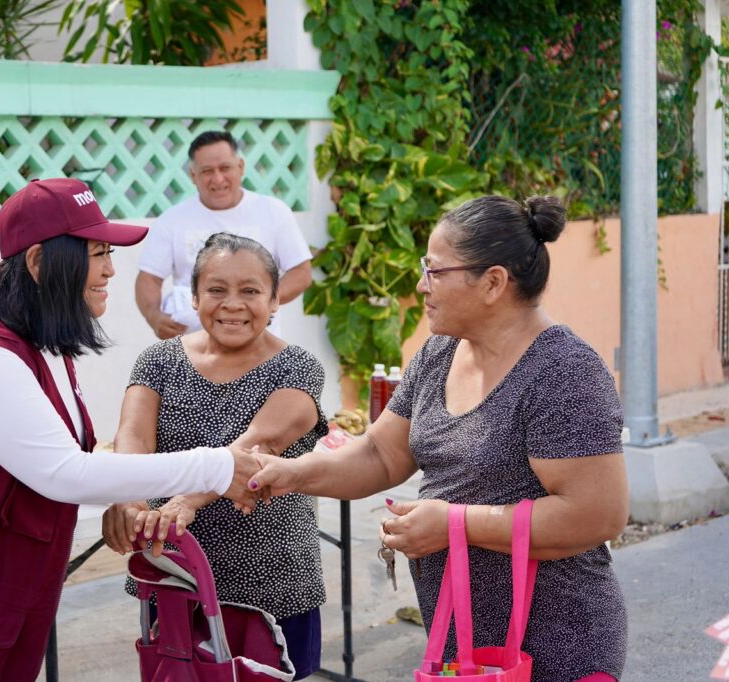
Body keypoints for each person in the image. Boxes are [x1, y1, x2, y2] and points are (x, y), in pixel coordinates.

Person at [0, 179, 265, 682]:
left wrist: (123, 494)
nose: (109, 269)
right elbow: (63, 472)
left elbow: (60, 453)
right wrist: (218, 465)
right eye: (96, 253)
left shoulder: (33, 338)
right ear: (38, 263)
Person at [247, 195, 628, 682]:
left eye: (434, 270)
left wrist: (453, 523)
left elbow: (597, 513)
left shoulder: (563, 372)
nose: (420, 284)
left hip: (557, 644)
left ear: (493, 282)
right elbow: (382, 455)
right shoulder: (440, 353)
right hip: (462, 646)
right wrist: (292, 473)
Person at [104, 233, 328, 679]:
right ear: (194, 297)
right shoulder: (158, 361)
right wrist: (126, 500)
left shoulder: (299, 367)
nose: (233, 304)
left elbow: (255, 449)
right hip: (173, 577)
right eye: (216, 290)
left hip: (272, 582)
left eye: (250, 291)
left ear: (274, 299)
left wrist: (182, 503)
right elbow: (132, 439)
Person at [135, 130, 313, 339]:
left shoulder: (273, 211)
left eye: (225, 168)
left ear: (241, 167)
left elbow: (301, 272)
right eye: (207, 171)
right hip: (194, 349)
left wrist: (260, 302)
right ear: (193, 175)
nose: (218, 179)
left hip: (260, 349)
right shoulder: (172, 220)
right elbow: (148, 279)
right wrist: (153, 316)